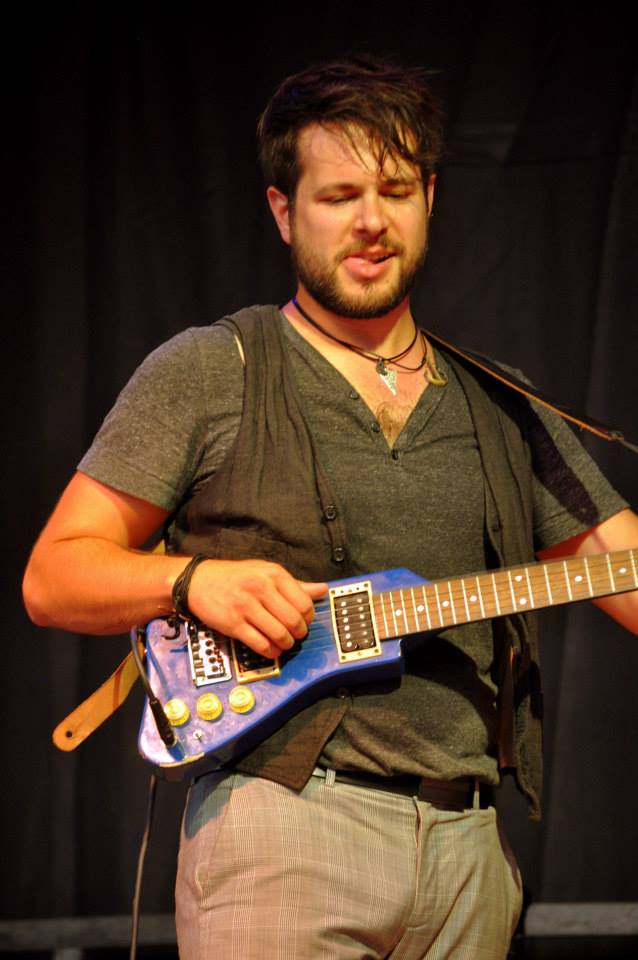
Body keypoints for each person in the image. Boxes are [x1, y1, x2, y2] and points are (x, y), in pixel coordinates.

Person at [23, 56, 638, 959]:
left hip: (469, 850)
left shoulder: (503, 405)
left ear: (431, 197)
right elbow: (53, 577)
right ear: (284, 211)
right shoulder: (213, 369)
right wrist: (193, 581)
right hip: (281, 830)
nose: (371, 221)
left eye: (396, 191)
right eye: (340, 194)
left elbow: (627, 573)